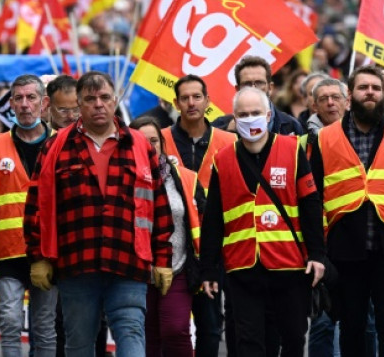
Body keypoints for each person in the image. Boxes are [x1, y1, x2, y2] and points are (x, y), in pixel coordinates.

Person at [24, 71, 175, 357]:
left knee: (131, 336)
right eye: (90, 99)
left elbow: (158, 204)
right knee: (79, 345)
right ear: (78, 104)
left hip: (128, 261)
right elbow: (36, 205)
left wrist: (163, 258)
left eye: (105, 97)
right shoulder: (56, 146)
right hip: (76, 263)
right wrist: (38, 257)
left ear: (115, 101)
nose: (98, 105)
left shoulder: (139, 145)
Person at [200, 86, 325, 356]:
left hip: (288, 264)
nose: (249, 119)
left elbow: (310, 204)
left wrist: (317, 254)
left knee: (293, 337)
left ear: (268, 115)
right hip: (242, 266)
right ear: (234, 118)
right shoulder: (222, 160)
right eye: (242, 114)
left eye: (255, 113)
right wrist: (209, 269)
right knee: (249, 342)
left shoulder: (292, 150)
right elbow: (213, 217)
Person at [310, 65, 384, 356]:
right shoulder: (324, 138)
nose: (370, 93)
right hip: (344, 249)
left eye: (376, 88)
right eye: (363, 87)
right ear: (350, 96)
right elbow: (314, 196)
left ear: (383, 95)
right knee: (351, 327)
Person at [0, 75, 59, 357]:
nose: (25, 105)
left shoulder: (60, 145)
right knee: (10, 321)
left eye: (31, 98)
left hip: (48, 252)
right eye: (19, 98)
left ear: (44, 103)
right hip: (8, 252)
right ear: (11, 103)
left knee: (44, 325)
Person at [159, 75, 234, 357]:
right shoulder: (161, 139)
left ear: (207, 101)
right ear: (176, 103)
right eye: (185, 98)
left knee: (211, 324)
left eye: (197, 97)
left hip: (214, 248)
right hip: (172, 246)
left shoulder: (229, 141)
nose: (191, 103)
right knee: (170, 326)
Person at [131, 116, 202, 357]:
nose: (149, 147)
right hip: (137, 271)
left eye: (154, 141)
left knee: (176, 329)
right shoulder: (121, 178)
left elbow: (202, 219)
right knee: (147, 334)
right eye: (142, 141)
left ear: (162, 144)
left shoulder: (185, 178)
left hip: (178, 268)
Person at [303, 79, 349, 357]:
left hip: (356, 242)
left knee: (362, 322)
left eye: (336, 97)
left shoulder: (362, 137)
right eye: (324, 98)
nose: (331, 102)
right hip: (321, 246)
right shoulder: (305, 142)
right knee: (322, 322)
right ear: (314, 105)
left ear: (347, 101)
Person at [213, 56, 305, 136]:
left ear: (270, 87)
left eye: (259, 83)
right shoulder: (219, 127)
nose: (253, 88)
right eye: (247, 83)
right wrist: (229, 134)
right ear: (237, 89)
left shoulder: (291, 126)